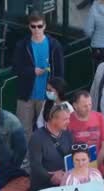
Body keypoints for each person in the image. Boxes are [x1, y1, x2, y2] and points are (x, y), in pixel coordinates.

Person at [13, 12, 64, 143]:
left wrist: (57, 93)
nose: (36, 29)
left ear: (45, 26)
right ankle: (27, 158)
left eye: (39, 26)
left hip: (47, 96)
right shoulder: (22, 45)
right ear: (29, 27)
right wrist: (32, 71)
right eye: (33, 26)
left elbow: (60, 71)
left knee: (49, 127)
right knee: (24, 129)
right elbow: (16, 68)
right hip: (26, 95)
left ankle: (45, 156)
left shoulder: (54, 45)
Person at [29, 104, 73, 191]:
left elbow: (71, 156)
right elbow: (35, 165)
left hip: (64, 185)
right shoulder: (37, 137)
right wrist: (52, 177)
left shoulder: (67, 134)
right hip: (43, 188)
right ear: (53, 119)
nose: (68, 122)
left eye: (68, 118)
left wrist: (64, 174)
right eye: (65, 119)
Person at [69, 91, 104, 175]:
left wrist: (94, 166)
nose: (88, 108)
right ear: (75, 106)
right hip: (77, 170)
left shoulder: (99, 117)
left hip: (97, 169)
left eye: (90, 105)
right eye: (84, 106)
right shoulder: (68, 120)